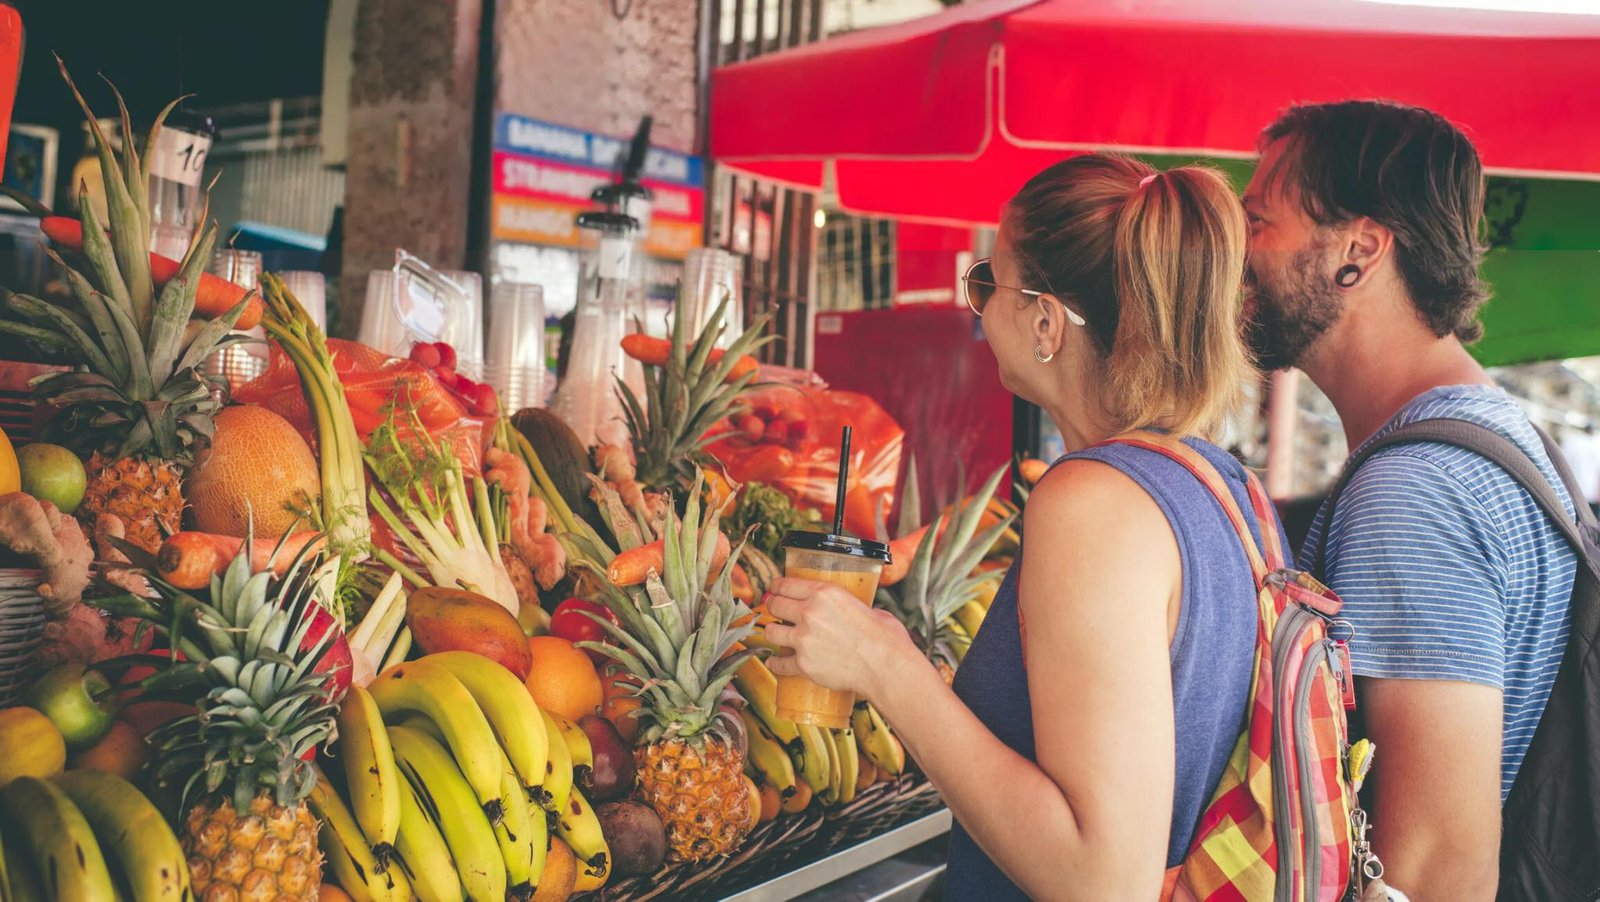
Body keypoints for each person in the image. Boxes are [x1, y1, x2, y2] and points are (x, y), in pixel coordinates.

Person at [765, 154, 1274, 898]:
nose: (978, 307)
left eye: (986, 283)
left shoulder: (1093, 505)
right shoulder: (1223, 486)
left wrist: (888, 667)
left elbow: (1102, 879)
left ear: (1043, 320)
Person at [1241, 100, 1577, 899]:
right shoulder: (1486, 429)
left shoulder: (1416, 493)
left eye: (1259, 223)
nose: (1238, 253)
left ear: (1357, 249)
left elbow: (1432, 875)